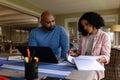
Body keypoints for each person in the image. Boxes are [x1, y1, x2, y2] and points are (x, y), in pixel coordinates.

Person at [68, 12, 111, 80]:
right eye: (83, 25)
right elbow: (79, 52)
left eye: (87, 24)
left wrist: (99, 60)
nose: (84, 27)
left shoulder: (104, 36)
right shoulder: (83, 37)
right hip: (81, 66)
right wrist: (73, 54)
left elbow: (106, 56)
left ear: (94, 22)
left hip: (95, 68)